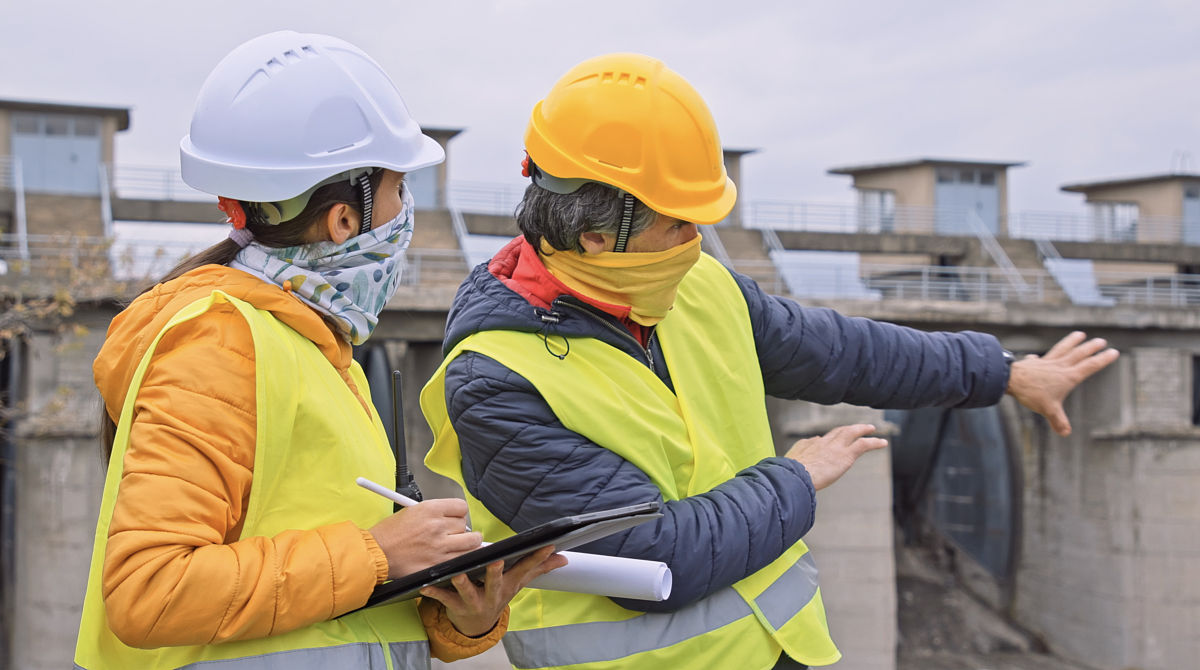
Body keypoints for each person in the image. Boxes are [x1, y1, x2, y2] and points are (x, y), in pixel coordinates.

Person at [419, 53, 1119, 670]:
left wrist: (1001, 371)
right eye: (678, 223)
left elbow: (844, 353)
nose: (696, 241)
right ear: (598, 235)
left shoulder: (699, 289)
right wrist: (798, 477)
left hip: (772, 652)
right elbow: (656, 558)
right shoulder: (497, 378)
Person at [73, 31, 564, 670]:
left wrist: (464, 617)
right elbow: (151, 591)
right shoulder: (218, 344)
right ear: (343, 221)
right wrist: (380, 551)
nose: (406, 210)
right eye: (397, 189)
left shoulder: (314, 344)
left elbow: (346, 609)